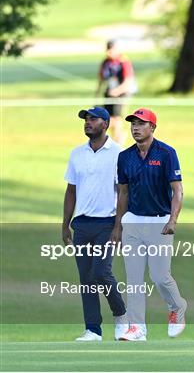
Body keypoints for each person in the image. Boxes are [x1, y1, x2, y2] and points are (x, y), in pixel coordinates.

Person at [110, 108, 187, 341]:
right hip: (133, 221)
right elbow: (122, 193)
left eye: (141, 124)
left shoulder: (166, 153)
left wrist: (173, 220)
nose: (135, 127)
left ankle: (177, 306)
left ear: (152, 127)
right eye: (133, 123)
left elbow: (178, 190)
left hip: (160, 221)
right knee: (133, 279)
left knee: (159, 275)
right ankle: (137, 328)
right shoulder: (125, 157)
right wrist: (118, 227)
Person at [62, 106, 128, 341]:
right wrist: (65, 224)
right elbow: (71, 191)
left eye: (93, 119)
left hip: (107, 223)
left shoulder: (118, 153)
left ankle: (121, 316)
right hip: (81, 224)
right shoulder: (76, 154)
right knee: (86, 278)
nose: (87, 123)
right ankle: (93, 329)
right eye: (85, 120)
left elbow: (123, 192)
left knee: (101, 271)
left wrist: (119, 226)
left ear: (105, 123)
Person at [96, 40, 136, 145]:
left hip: (121, 93)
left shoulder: (123, 61)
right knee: (108, 120)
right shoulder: (106, 62)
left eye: (111, 49)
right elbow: (101, 79)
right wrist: (97, 95)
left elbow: (128, 81)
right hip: (109, 93)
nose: (109, 52)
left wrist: (117, 91)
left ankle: (119, 142)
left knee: (116, 119)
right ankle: (117, 140)